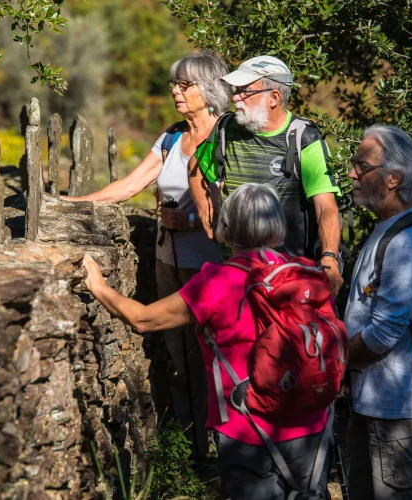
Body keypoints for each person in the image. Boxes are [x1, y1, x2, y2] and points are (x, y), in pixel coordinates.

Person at [82, 183, 333, 500]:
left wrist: (100, 287)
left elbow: (143, 319)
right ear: (277, 227)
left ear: (227, 227)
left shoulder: (217, 281)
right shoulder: (308, 273)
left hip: (248, 430)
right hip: (313, 423)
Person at [63, 51, 231, 458]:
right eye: (174, 83)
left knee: (213, 357)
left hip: (212, 266)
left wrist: (189, 221)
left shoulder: (229, 139)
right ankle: (193, 448)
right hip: (167, 262)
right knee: (177, 353)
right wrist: (72, 205)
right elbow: (129, 185)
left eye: (185, 84)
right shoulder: (172, 136)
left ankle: (225, 445)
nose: (175, 91)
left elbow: (239, 208)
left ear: (208, 90)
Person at [343, 125, 412, 499]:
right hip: (376, 398)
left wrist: (337, 360)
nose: (352, 173)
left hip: (397, 406)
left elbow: (384, 333)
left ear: (393, 179)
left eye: (362, 166)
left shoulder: (411, 240)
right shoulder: (389, 228)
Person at [187, 55, 344, 296]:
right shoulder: (226, 128)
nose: (235, 98)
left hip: (287, 276)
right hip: (235, 273)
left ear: (274, 97)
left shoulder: (303, 138)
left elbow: (326, 207)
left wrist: (330, 259)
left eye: (244, 91)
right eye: (235, 90)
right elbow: (195, 166)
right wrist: (208, 216)